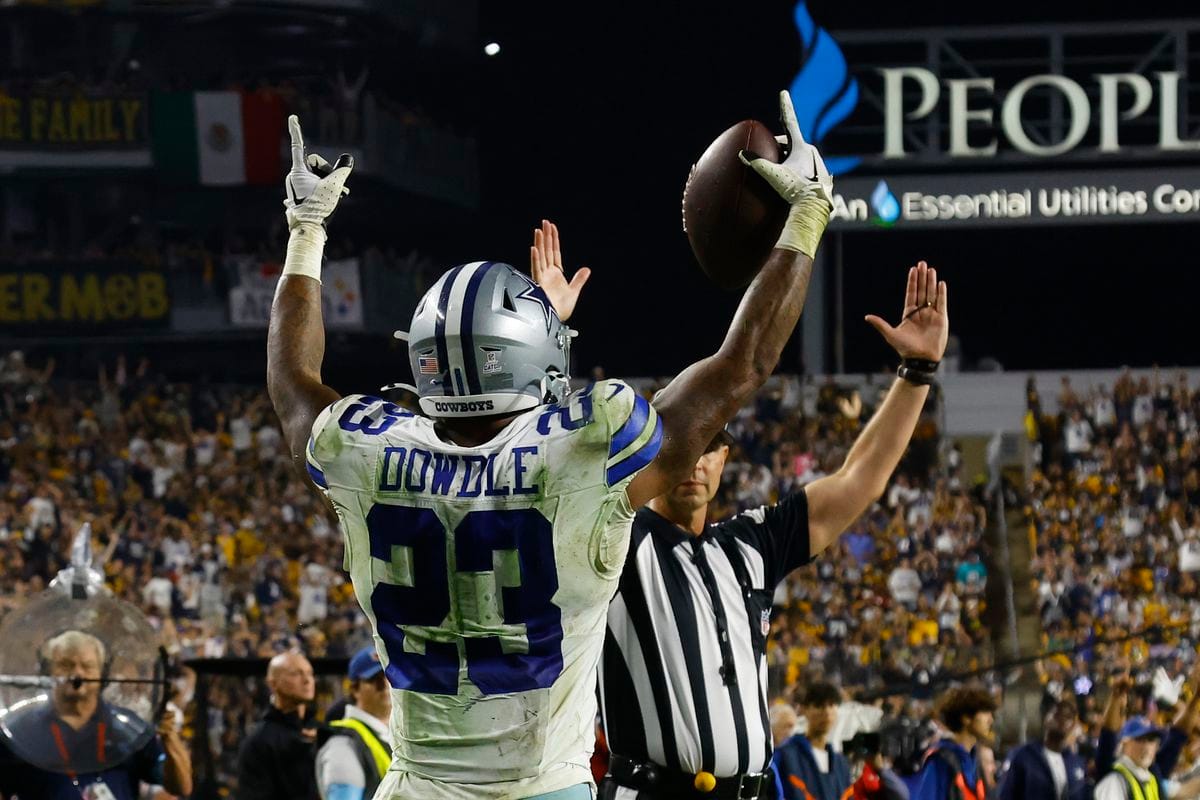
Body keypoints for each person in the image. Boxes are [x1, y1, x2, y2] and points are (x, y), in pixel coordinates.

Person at [268, 87, 839, 799]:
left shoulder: (366, 451)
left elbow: (292, 383)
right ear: (537, 355)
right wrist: (807, 213)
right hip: (546, 787)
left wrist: (307, 228)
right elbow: (742, 365)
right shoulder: (585, 448)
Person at [597, 250, 949, 795]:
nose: (695, 461)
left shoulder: (750, 544)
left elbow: (859, 480)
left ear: (725, 459)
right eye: (681, 444)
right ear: (649, 454)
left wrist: (916, 373)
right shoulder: (615, 536)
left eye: (710, 447)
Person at [0, 630, 192, 800]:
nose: (77, 673)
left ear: (103, 674)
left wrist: (170, 738)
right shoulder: (18, 731)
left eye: (87, 666)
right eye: (66, 665)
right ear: (47, 671)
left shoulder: (129, 728)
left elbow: (182, 787)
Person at [235, 651, 320, 800]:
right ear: (272, 684)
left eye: (310, 673)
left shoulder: (320, 731)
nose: (307, 680)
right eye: (295, 674)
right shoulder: (259, 742)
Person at [315, 646, 393, 800]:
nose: (385, 685)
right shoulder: (343, 745)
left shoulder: (397, 734)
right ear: (354, 689)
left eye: (390, 677)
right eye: (375, 679)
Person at [910, 686, 997, 800]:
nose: (990, 720)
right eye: (985, 712)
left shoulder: (974, 761)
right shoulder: (941, 761)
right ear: (966, 718)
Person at [773, 683, 852, 800]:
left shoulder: (841, 764)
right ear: (804, 709)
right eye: (819, 706)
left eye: (831, 705)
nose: (827, 712)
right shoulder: (786, 756)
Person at [998, 699, 1087, 800]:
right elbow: (1006, 794)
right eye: (1057, 714)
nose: (1062, 720)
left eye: (1068, 717)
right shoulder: (1023, 755)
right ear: (1046, 718)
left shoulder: (1076, 762)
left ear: (1073, 726)